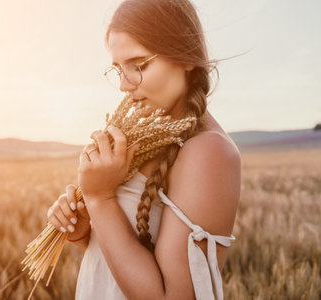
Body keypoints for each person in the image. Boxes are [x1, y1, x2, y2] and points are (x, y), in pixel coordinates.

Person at [46, 0, 241, 299]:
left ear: (187, 57)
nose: (124, 85)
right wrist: (88, 232)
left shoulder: (209, 152)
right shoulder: (151, 134)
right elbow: (127, 265)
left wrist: (100, 198)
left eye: (138, 65)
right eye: (118, 69)